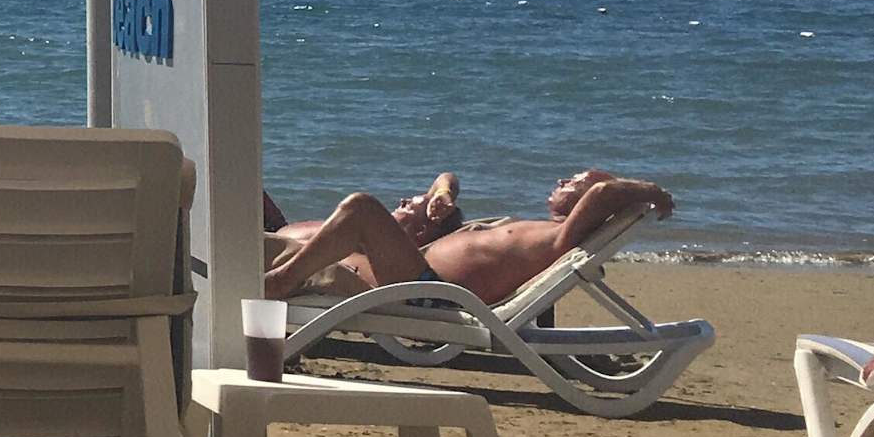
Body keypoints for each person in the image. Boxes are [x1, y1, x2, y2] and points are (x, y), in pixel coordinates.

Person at [263, 169, 674, 302]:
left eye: (573, 181)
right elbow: (448, 176)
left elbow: (604, 193)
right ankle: (277, 277)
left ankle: (280, 283)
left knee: (362, 207)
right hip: (410, 279)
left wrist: (648, 190)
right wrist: (443, 193)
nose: (561, 181)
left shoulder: (559, 238)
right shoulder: (534, 231)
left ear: (586, 198)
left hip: (426, 293)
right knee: (266, 243)